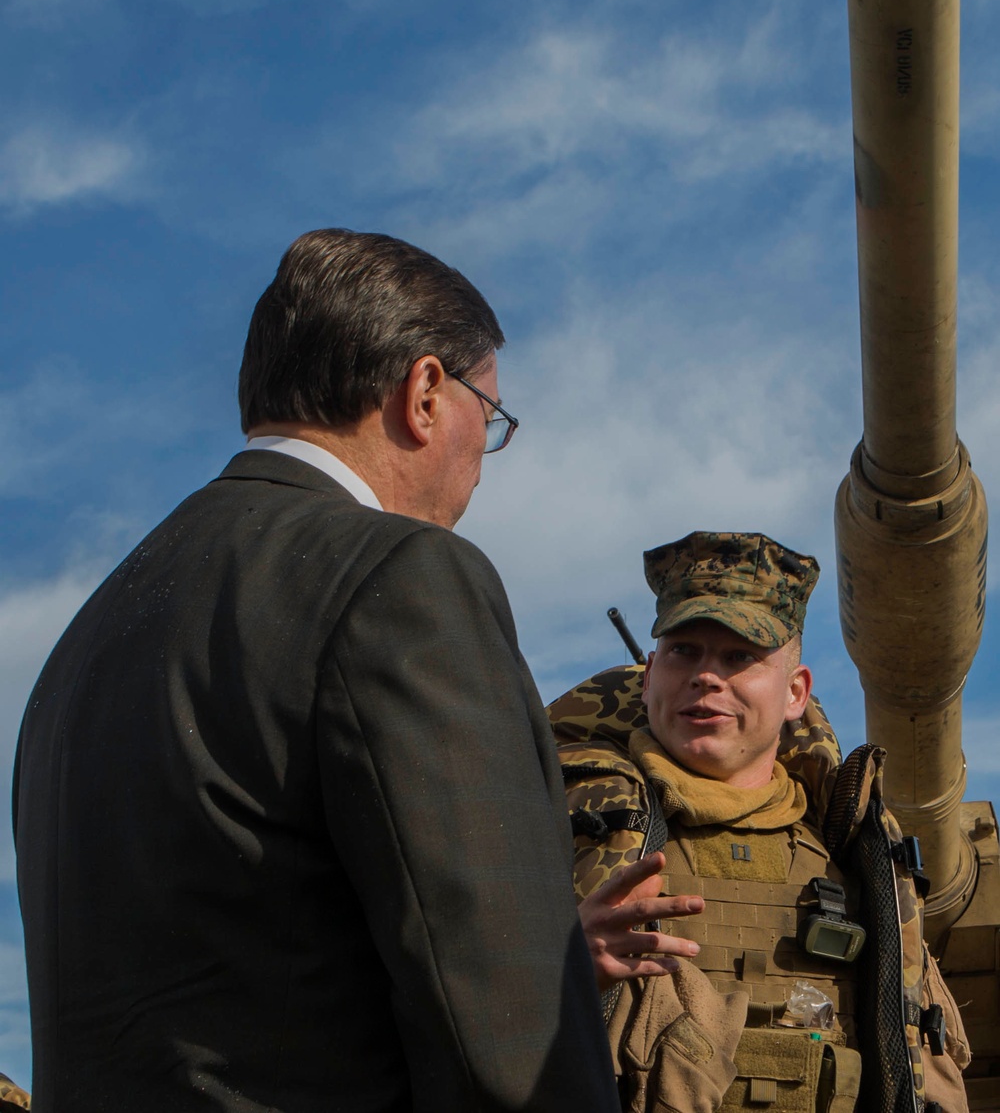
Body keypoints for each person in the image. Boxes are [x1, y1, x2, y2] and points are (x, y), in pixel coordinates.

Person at [13, 228, 621, 1113]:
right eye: (486, 418)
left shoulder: (83, 643)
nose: (480, 466)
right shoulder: (399, 577)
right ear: (424, 392)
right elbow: (503, 1028)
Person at [549, 531, 972, 1113]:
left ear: (796, 692)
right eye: (684, 651)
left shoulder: (860, 858)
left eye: (739, 656)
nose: (706, 676)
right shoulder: (562, 826)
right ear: (648, 677)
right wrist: (564, 968)